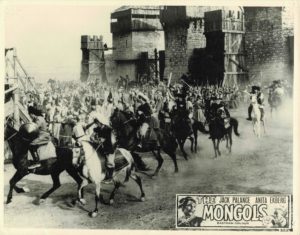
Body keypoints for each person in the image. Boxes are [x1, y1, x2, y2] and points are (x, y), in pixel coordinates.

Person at [93, 113, 116, 183]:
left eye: (97, 123)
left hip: (108, 148)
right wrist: (93, 137)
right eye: (96, 123)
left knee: (110, 162)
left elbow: (105, 139)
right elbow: (93, 134)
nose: (96, 124)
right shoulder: (97, 128)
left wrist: (99, 140)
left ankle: (110, 177)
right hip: (100, 147)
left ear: (100, 122)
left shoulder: (108, 129)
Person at [27, 105, 51, 169]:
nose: (30, 116)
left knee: (31, 144)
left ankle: (37, 162)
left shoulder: (38, 118)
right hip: (41, 135)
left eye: (30, 115)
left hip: (43, 136)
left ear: (32, 114)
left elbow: (35, 128)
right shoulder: (38, 118)